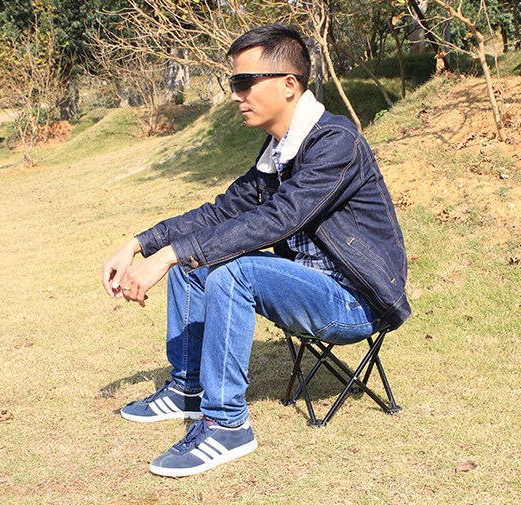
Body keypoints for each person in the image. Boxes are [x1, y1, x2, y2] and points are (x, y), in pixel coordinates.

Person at [101, 23, 411, 478]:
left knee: (231, 268)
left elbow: (279, 219)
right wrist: (138, 244)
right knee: (193, 263)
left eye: (245, 82)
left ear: (289, 85)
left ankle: (227, 426)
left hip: (356, 301)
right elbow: (220, 212)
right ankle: (189, 389)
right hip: (307, 287)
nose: (235, 95)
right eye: (234, 82)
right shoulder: (278, 152)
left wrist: (167, 256)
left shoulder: (336, 143)